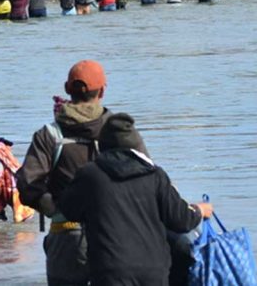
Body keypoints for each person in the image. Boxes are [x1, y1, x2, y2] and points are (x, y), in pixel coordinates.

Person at [57, 113, 213, 286]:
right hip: (153, 272)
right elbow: (181, 221)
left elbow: (68, 210)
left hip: (109, 272)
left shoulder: (89, 175)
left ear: (102, 145)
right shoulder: (155, 175)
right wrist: (199, 210)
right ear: (137, 146)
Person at [16, 60, 113, 286]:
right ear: (103, 91)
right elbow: (143, 176)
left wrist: (53, 208)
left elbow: (27, 183)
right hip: (113, 237)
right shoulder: (117, 130)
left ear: (67, 89)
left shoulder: (49, 135)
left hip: (65, 237)